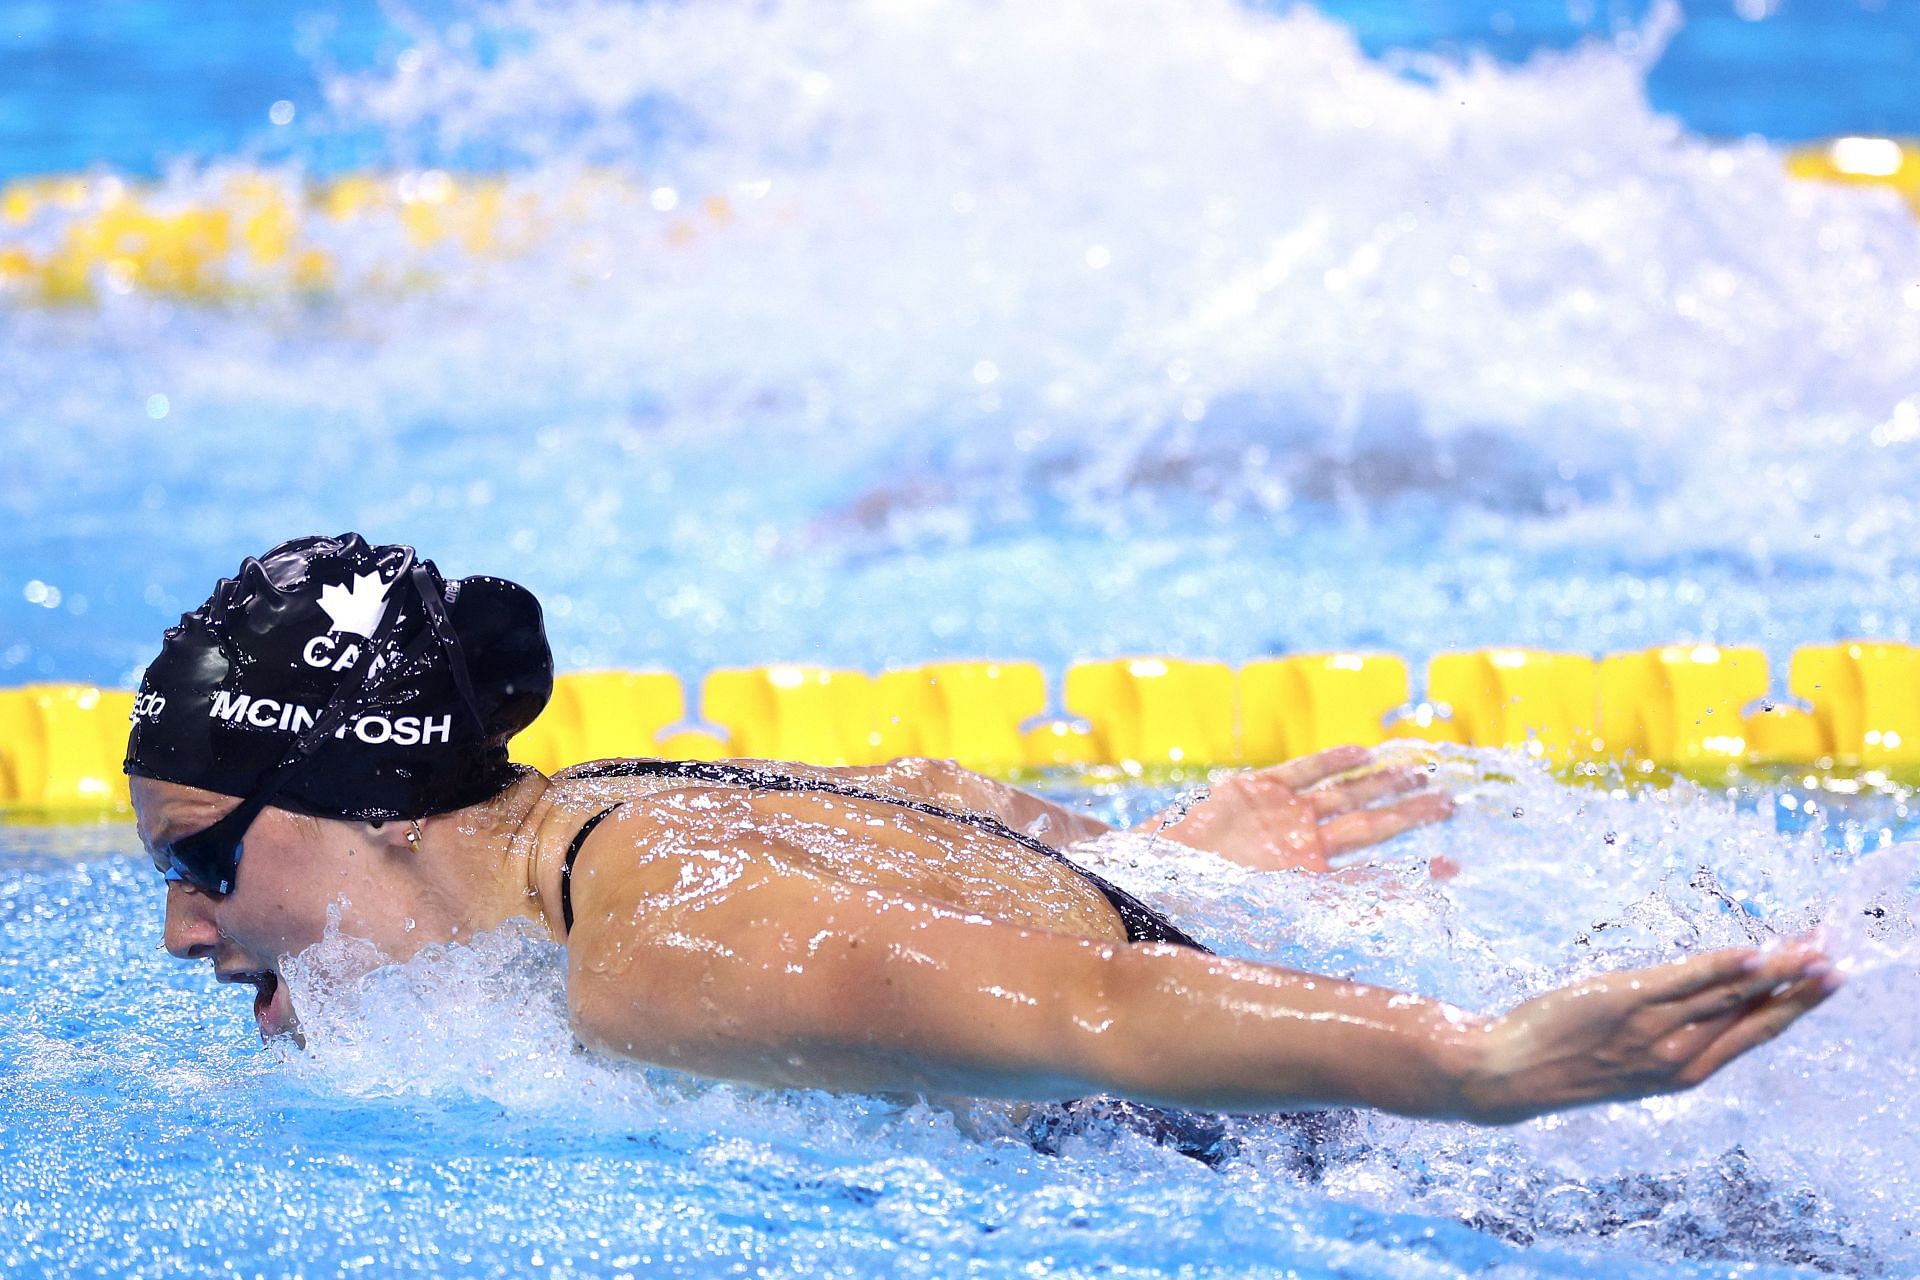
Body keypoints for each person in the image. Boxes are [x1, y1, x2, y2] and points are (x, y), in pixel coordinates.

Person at [130, 534, 1838, 1139]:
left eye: (200, 859)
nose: (183, 930)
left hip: (1426, 1159)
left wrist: (1479, 1066)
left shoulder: (663, 958)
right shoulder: (625, 814)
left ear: (365, 795)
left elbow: (1101, 1019)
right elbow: (947, 814)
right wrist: (1169, 859)